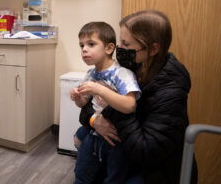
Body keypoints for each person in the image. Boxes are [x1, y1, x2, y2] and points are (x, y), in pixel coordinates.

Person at [80, 10, 198, 184]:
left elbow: (145, 150)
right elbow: (87, 109)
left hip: (153, 167)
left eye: (126, 44)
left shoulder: (171, 89)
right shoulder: (133, 65)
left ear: (153, 49)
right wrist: (94, 121)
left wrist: (113, 104)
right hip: (124, 144)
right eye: (120, 41)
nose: (119, 48)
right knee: (84, 140)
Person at [70, 22, 141, 184]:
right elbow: (83, 104)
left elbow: (130, 105)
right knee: (81, 173)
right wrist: (77, 98)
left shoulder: (122, 74)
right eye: (81, 45)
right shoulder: (91, 74)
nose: (84, 49)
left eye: (91, 44)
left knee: (114, 178)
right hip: (94, 134)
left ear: (109, 48)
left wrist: (100, 90)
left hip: (117, 139)